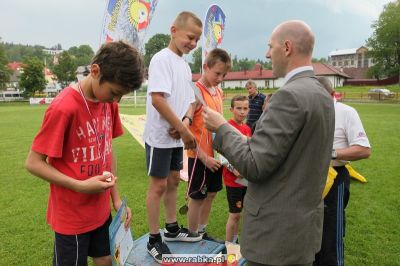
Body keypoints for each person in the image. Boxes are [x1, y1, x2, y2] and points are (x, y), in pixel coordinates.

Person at [202, 20, 335, 266]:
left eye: (269, 46)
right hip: (301, 233)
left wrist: (222, 128)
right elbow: (291, 154)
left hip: (274, 238)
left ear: (286, 47)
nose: (266, 54)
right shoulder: (321, 94)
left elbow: (255, 165)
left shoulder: (288, 96)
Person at [25, 41, 144, 266]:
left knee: (106, 259)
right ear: (96, 71)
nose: (116, 100)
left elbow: (108, 150)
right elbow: (33, 163)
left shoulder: (109, 104)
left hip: (100, 211)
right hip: (72, 217)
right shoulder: (64, 107)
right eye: (114, 92)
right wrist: (79, 185)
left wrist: (116, 199)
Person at [143, 11, 202, 263]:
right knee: (157, 186)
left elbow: (191, 100)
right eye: (190, 37)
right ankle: (153, 239)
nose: (193, 43)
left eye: (197, 40)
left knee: (174, 181)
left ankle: (171, 228)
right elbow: (157, 99)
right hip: (160, 137)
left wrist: (185, 123)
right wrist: (183, 128)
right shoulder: (161, 59)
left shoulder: (185, 65)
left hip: (177, 135)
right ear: (174, 30)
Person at [314, 77, 371, 266]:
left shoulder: (346, 112)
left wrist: (330, 153)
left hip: (335, 177)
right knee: (308, 230)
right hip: (307, 178)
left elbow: (364, 149)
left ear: (332, 95)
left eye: (322, 98)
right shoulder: (307, 111)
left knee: (331, 231)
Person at [185, 48, 231, 241]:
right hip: (199, 159)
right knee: (197, 198)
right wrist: (204, 157)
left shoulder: (219, 91)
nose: (220, 78)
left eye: (224, 74)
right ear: (205, 67)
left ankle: (202, 232)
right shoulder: (194, 92)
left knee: (211, 195)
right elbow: (185, 131)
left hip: (217, 157)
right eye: (217, 73)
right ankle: (192, 235)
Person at [223, 95, 252, 244]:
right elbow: (221, 153)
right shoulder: (227, 127)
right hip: (233, 180)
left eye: (245, 108)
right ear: (231, 109)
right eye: (238, 108)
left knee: (242, 214)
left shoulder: (247, 129)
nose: (242, 112)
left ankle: (235, 241)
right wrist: (234, 169)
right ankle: (229, 246)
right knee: (234, 214)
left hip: (246, 180)